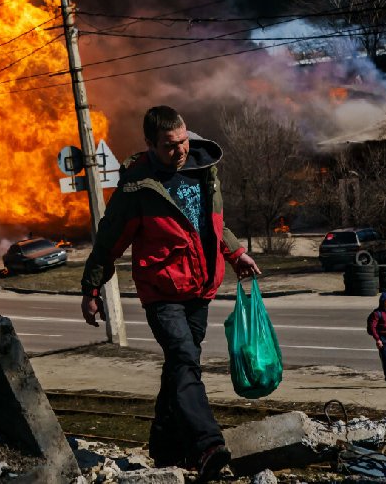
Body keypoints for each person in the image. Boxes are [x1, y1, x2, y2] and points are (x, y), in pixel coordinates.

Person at [80, 105, 260, 481]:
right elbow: (109, 240)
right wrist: (92, 287)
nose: (179, 150)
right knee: (183, 359)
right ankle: (207, 444)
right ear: (150, 145)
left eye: (182, 141)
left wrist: (237, 252)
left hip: (201, 288)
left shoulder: (203, 167)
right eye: (169, 146)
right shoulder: (136, 187)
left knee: (180, 369)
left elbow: (213, 224)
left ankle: (163, 448)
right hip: (162, 293)